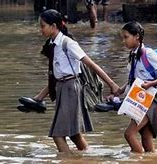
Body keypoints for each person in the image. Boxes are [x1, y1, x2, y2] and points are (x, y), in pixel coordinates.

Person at [33, 9, 119, 153]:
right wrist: (39, 98)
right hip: (61, 88)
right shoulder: (53, 44)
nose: (40, 29)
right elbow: (55, 76)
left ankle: (68, 161)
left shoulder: (68, 43)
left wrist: (112, 84)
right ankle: (87, 156)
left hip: (70, 88)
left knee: (58, 135)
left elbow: (91, 64)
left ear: (53, 26)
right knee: (74, 134)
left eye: (42, 26)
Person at [111, 21, 157, 153]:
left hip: (152, 100)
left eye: (126, 37)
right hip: (140, 100)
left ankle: (139, 160)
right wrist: (120, 91)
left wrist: (151, 83)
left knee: (129, 134)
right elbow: (133, 78)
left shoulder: (148, 53)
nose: (123, 41)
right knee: (146, 137)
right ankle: (151, 160)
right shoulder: (133, 55)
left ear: (137, 37)